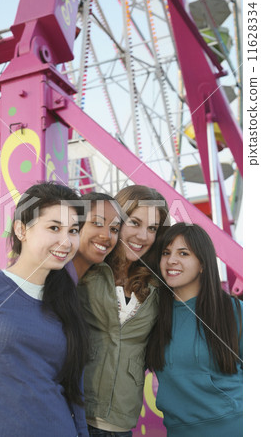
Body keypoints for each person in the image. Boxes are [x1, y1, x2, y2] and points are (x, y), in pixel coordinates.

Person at [0, 182, 89, 437]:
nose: (66, 241)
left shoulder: (69, 305)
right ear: (22, 229)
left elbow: (75, 394)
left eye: (73, 230)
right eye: (54, 227)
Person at [76, 185, 170, 436]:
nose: (143, 236)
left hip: (121, 422)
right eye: (135, 223)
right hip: (75, 414)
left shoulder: (158, 287)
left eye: (152, 228)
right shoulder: (86, 269)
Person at [146, 222, 243, 437]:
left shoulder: (236, 311)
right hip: (177, 430)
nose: (172, 260)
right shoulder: (153, 315)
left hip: (234, 427)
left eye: (183, 253)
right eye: (166, 252)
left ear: (202, 263)